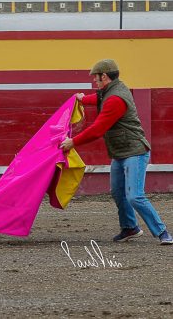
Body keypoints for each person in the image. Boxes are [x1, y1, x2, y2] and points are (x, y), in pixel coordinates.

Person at [60, 59, 172, 245]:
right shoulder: (112, 90)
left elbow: (98, 129)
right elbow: (98, 98)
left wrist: (73, 142)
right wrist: (82, 99)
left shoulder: (115, 99)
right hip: (120, 152)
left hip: (134, 151)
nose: (94, 81)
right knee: (118, 192)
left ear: (104, 76)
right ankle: (130, 228)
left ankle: (162, 232)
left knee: (135, 196)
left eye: (96, 77)